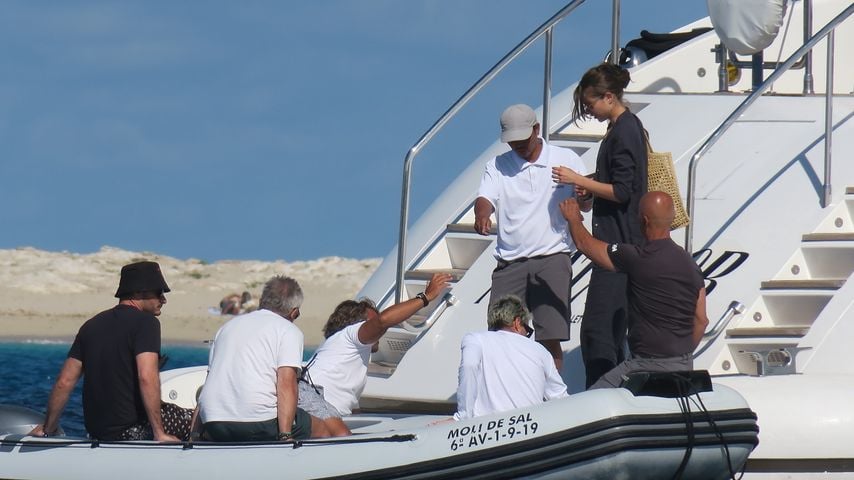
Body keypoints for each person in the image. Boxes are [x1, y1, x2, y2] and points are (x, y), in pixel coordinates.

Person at [552, 62, 649, 387]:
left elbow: (622, 191)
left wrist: (578, 179)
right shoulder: (624, 127)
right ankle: (613, 390)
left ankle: (602, 392)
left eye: (590, 103)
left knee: (599, 331)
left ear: (608, 97)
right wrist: (591, 184)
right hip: (620, 244)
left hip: (618, 247)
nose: (588, 111)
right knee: (610, 330)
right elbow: (622, 182)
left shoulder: (624, 131)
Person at [475, 103, 588, 371]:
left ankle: (552, 390)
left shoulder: (566, 158)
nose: (518, 146)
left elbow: (585, 204)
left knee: (550, 335)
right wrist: (482, 214)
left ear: (536, 129)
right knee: (502, 335)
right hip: (510, 261)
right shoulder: (497, 165)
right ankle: (508, 389)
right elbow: (485, 197)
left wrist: (584, 194)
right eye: (512, 142)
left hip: (553, 256)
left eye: (522, 140)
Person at [559, 192, 709, 389]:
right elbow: (701, 320)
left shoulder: (637, 257)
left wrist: (573, 218)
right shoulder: (690, 264)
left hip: (644, 366)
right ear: (672, 218)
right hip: (683, 365)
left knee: (593, 397)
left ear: (643, 220)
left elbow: (585, 244)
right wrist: (680, 354)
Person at [29, 261, 190, 441]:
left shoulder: (90, 326)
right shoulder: (147, 323)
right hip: (132, 430)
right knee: (197, 421)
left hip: (98, 432)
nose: (164, 300)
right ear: (138, 293)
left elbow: (64, 382)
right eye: (159, 293)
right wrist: (159, 434)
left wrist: (48, 429)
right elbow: (146, 377)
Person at [303, 273, 453, 419]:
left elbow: (353, 410)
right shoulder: (349, 335)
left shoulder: (341, 353)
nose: (381, 332)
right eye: (372, 324)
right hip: (313, 406)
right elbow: (383, 321)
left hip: (319, 408)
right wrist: (426, 297)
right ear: (356, 326)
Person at [199, 276, 330, 441]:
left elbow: (208, 383)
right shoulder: (288, 330)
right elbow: (286, 384)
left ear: (262, 301)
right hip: (257, 421)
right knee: (322, 430)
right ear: (294, 312)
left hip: (212, 421)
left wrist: (194, 435)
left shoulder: (226, 328)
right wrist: (285, 435)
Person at [454, 295, 568, 420]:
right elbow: (560, 397)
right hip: (531, 425)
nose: (527, 334)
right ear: (517, 323)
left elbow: (469, 366)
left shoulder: (475, 339)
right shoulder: (541, 350)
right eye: (527, 329)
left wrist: (463, 415)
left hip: (485, 426)